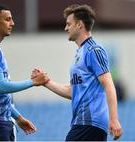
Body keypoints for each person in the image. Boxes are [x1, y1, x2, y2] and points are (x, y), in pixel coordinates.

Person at [32, 4, 123, 141]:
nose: (65, 28)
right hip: (83, 123)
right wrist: (46, 82)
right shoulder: (80, 53)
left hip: (90, 122)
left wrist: (114, 119)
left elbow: (108, 84)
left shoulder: (94, 50)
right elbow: (74, 91)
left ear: (79, 25)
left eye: (69, 24)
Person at [0, 4, 49, 141]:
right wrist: (33, 82)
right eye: (8, 19)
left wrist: (18, 117)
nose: (12, 23)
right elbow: (1, 87)